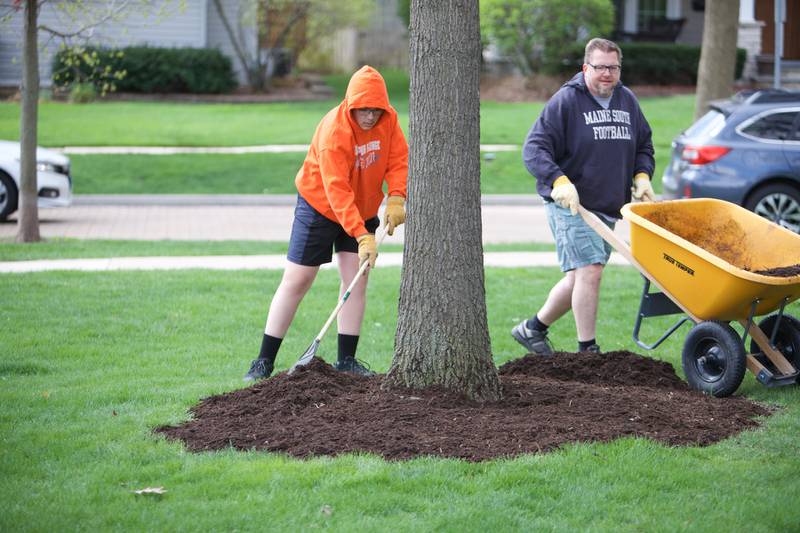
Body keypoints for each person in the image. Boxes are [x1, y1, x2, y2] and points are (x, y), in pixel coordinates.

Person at [244, 65, 408, 381]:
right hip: (320, 206)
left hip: (362, 207)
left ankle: (346, 361)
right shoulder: (335, 130)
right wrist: (362, 236)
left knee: (357, 278)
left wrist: (397, 197)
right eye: (364, 110)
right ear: (351, 104)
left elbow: (398, 159)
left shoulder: (389, 121)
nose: (371, 117)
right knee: (298, 278)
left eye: (376, 110)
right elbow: (336, 189)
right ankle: (263, 361)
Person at [513, 38, 655, 355]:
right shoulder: (566, 101)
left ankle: (532, 329)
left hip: (607, 206)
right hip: (572, 206)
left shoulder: (626, 100)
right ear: (585, 68)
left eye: (613, 67)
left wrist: (642, 175)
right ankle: (587, 350)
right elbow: (534, 149)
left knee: (581, 276)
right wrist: (559, 181)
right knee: (591, 270)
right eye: (600, 67)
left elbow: (644, 144)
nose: (607, 74)